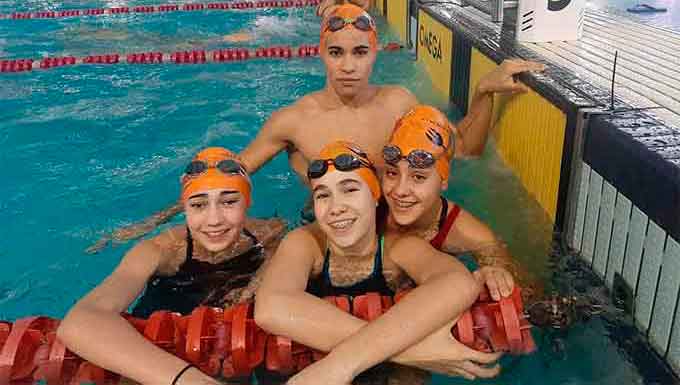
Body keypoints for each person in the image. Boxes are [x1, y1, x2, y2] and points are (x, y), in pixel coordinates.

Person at [88, 4, 543, 249]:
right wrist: (151, 223)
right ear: (320, 54)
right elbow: (226, 175)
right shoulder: (294, 120)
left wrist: (484, 93)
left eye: (359, 53)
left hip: (398, 225)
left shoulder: (398, 102)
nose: (348, 66)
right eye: (337, 52)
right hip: (330, 230)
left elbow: (462, 150)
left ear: (375, 54)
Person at [255, 141, 495, 385]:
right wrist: (412, 352)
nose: (336, 207)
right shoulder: (305, 242)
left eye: (349, 190)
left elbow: (457, 282)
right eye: (323, 195)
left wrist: (338, 366)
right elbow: (271, 307)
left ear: (375, 197)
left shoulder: (398, 248)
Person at [57, 147, 286, 385]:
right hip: (161, 347)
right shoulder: (160, 251)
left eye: (229, 202)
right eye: (198, 205)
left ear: (247, 202)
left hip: (230, 341)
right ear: (184, 208)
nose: (214, 220)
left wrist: (247, 294)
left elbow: (271, 275)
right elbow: (80, 321)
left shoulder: (270, 234)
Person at [380, 105, 535, 301]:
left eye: (418, 177)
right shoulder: (365, 207)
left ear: (444, 181)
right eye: (392, 173)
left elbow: (527, 295)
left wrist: (497, 276)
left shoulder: (472, 235)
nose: (400, 191)